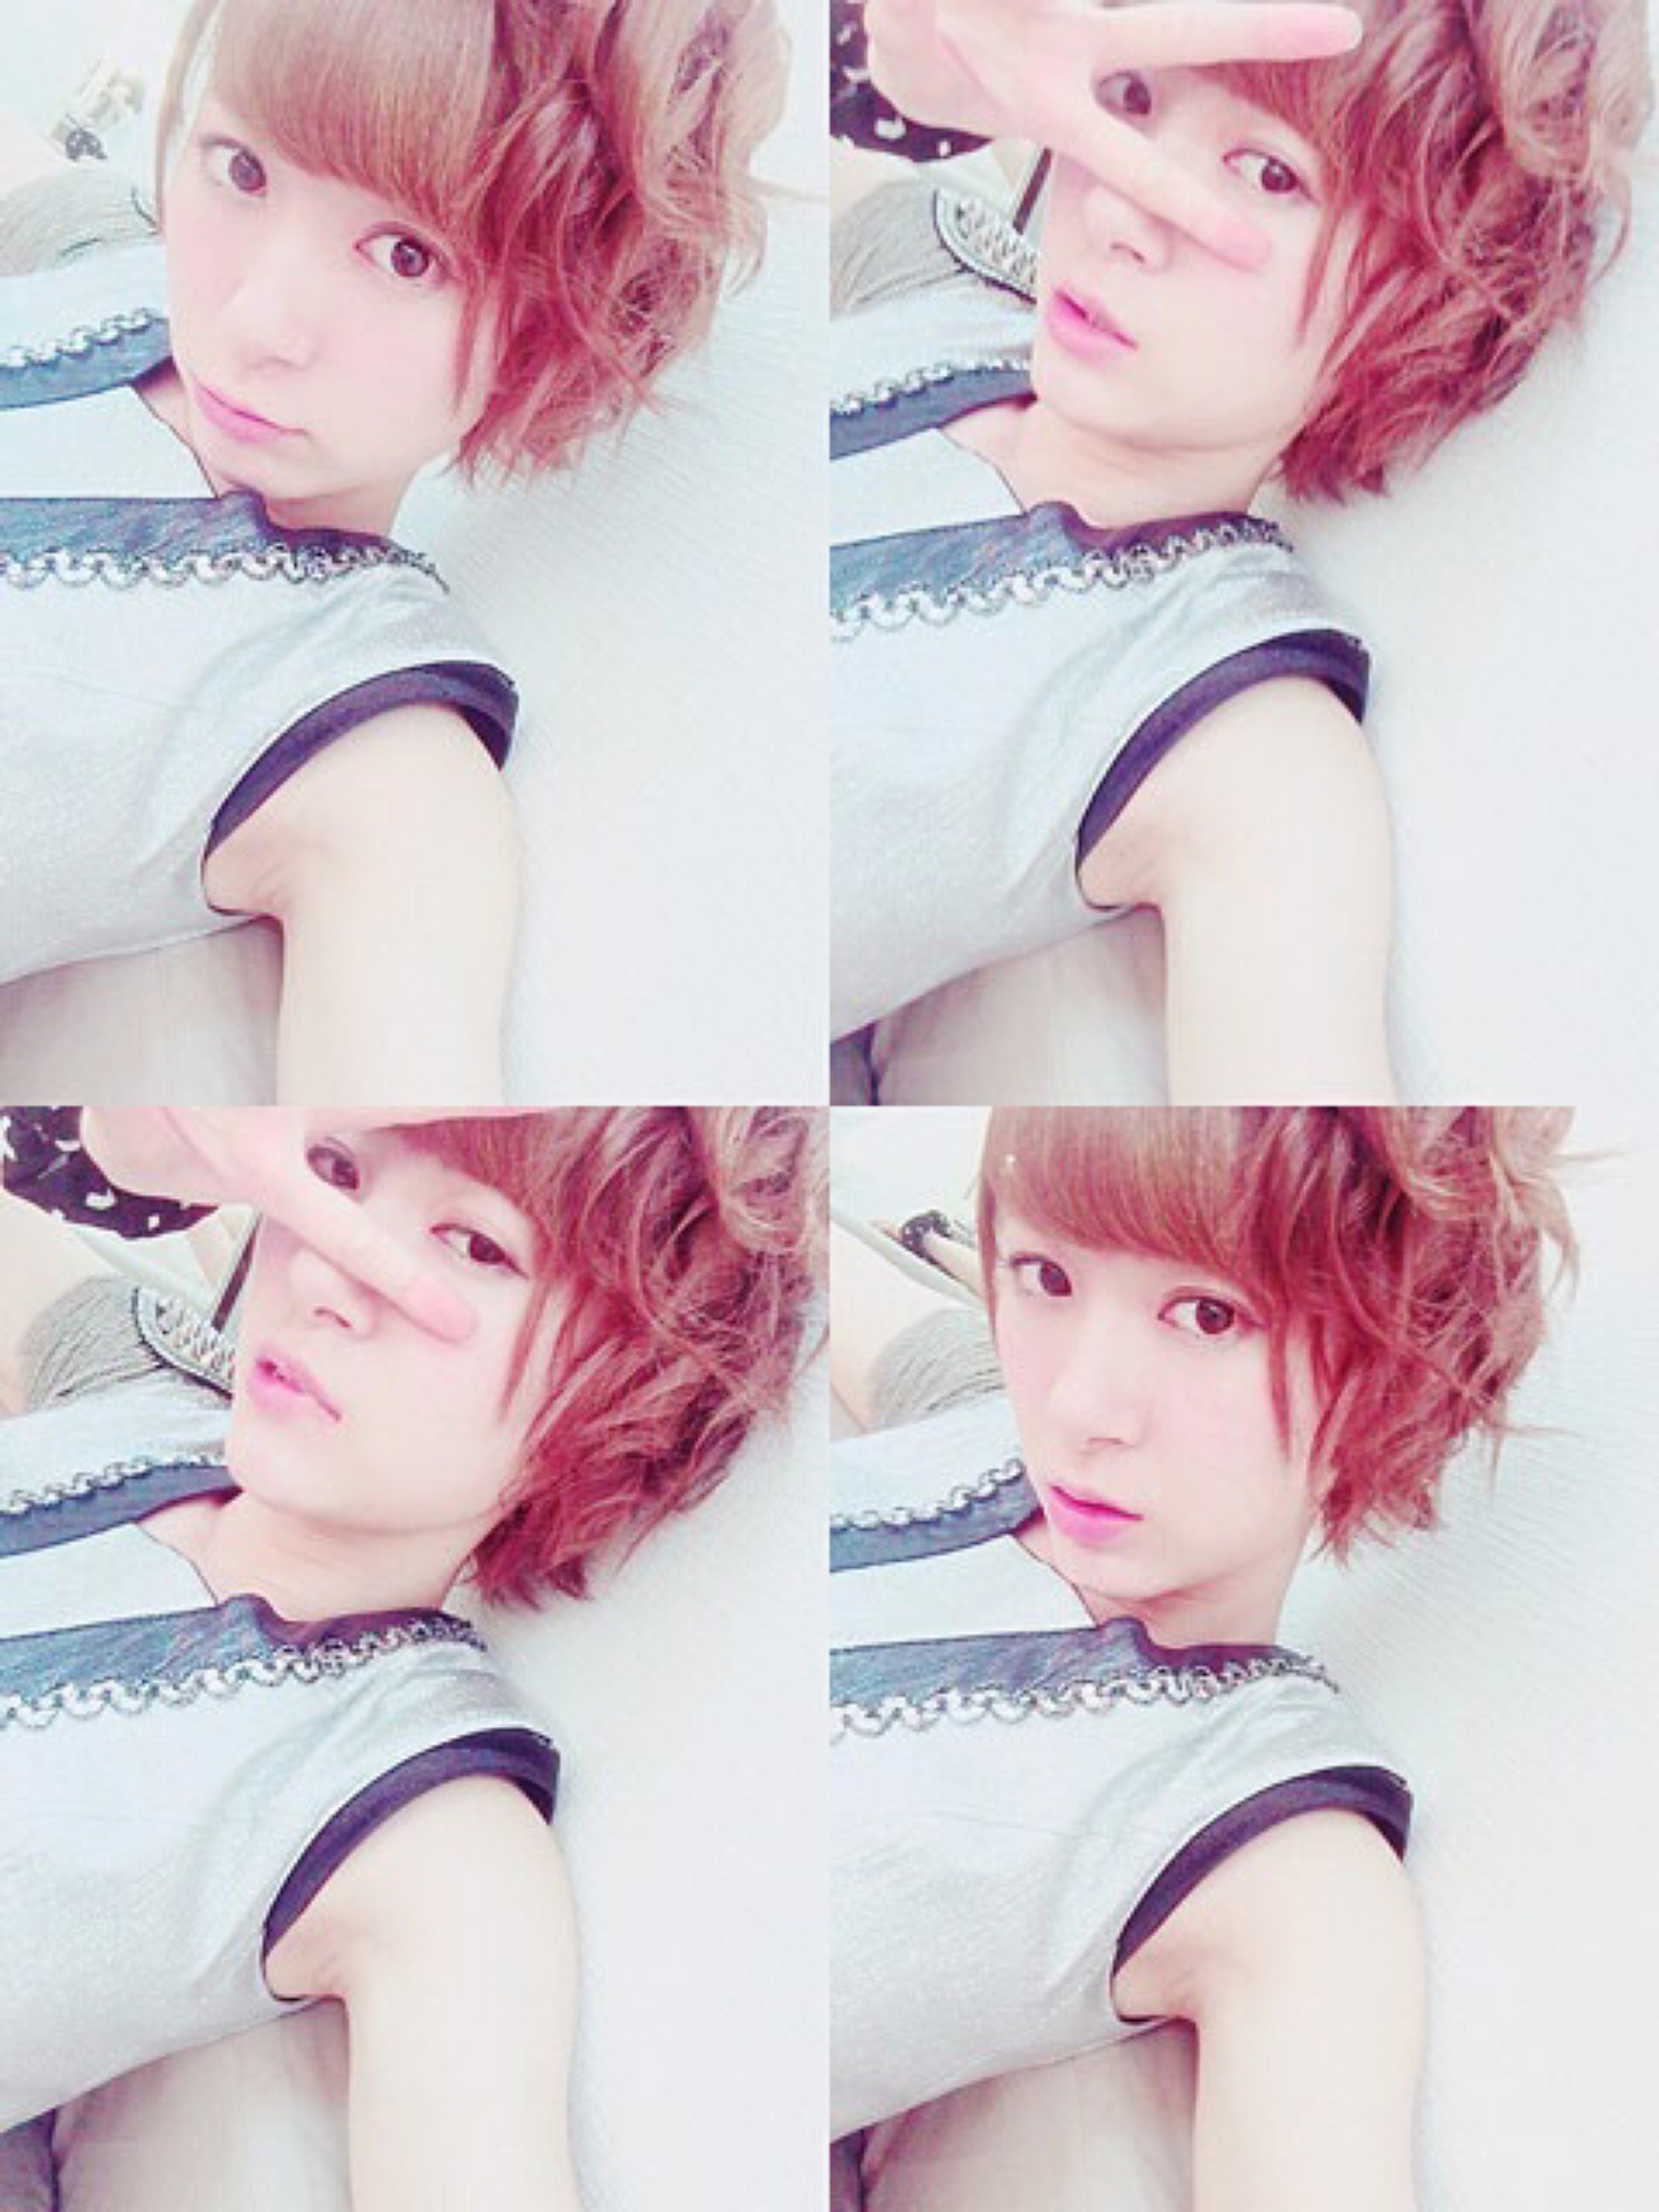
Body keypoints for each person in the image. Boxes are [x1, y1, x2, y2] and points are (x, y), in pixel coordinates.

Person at [0, 1104, 820, 2211]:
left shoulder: (418, 1821)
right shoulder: (149, 1387)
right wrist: (112, 1138)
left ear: (630, 1390)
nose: (324, 1274)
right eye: (335, 1174)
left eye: (474, 1243)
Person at [829, 0, 1648, 1101]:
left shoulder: (1238, 733)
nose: (1120, 208)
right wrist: (876, 45)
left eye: (1268, 172)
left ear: (1427, 300)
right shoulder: (941, 267)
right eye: (1130, 100)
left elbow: (1308, 1139)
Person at [0, 0, 782, 1100]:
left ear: (565, 321)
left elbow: (403, 1106)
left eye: (407, 255)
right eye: (244, 169)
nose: (257, 322)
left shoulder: (370, 753)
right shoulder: (121, 266)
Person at [830, 1106, 1572, 2209]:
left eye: (1208, 1314)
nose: (1080, 1407)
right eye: (1046, 1277)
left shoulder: (1266, 1845)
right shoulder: (982, 1402)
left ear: (1399, 1358)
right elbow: (817, 1251)